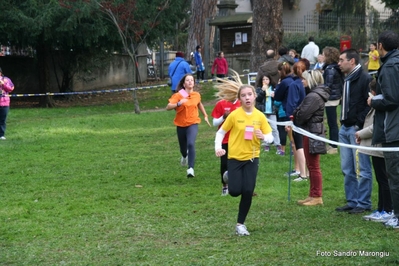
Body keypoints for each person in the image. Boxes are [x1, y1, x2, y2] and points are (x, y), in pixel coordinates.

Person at [215, 84, 273, 236]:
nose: (247, 98)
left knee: (248, 190)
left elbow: (271, 137)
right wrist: (218, 148)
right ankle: (228, 176)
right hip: (234, 158)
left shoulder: (260, 116)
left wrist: (264, 137)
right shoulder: (234, 115)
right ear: (239, 99)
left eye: (249, 94)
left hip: (252, 158)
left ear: (254, 96)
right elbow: (220, 132)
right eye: (243, 95)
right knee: (234, 192)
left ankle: (240, 224)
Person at [335, 48, 372, 214]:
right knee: (347, 167)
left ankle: (363, 202)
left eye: (342, 60)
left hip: (357, 129)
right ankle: (352, 200)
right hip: (345, 128)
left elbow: (369, 103)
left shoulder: (365, 78)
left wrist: (358, 124)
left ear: (352, 61)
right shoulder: (346, 78)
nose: (339, 63)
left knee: (362, 168)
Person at [370, 30, 399, 228]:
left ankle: (397, 215)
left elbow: (391, 98)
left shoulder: (390, 66)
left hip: (394, 129)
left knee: (395, 176)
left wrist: (373, 100)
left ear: (380, 46)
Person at [357, 79, 393, 222]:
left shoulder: (381, 105)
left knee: (384, 180)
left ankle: (387, 209)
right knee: (381, 179)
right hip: (376, 147)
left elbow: (377, 126)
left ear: (373, 92)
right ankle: (381, 208)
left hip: (380, 147)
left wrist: (360, 133)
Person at [293, 70, 330, 206]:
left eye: (304, 79)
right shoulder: (313, 95)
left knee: (313, 166)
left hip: (312, 132)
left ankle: (317, 196)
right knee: (310, 165)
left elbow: (301, 115)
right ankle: (312, 194)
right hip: (310, 131)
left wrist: (296, 113)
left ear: (311, 80)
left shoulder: (313, 96)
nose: (302, 81)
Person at [166, 74, 211, 178]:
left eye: (192, 80)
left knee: (191, 144)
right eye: (188, 80)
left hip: (193, 123)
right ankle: (184, 155)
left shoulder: (196, 95)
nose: (190, 82)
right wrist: (178, 104)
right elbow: (168, 107)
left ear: (194, 83)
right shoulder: (179, 95)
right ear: (184, 83)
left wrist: (205, 115)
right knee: (183, 148)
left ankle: (190, 169)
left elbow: (199, 103)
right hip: (181, 125)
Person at [211, 71, 241, 196]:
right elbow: (214, 123)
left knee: (239, 162)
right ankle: (225, 186)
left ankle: (239, 185)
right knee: (225, 164)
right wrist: (223, 117)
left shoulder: (242, 103)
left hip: (239, 139)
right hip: (225, 140)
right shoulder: (221, 104)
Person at [285, 61, 308, 182]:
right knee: (303, 145)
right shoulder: (304, 84)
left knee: (298, 146)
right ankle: (306, 172)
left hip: (296, 119)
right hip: (305, 117)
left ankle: (302, 174)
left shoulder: (294, 85)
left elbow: (291, 104)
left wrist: (290, 120)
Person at [322, 47, 344, 155]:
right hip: (333, 96)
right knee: (332, 122)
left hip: (331, 98)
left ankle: (333, 146)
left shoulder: (330, 69)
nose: (322, 56)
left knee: (332, 123)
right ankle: (332, 143)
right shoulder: (332, 67)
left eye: (324, 54)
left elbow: (328, 85)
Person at [255, 74, 283, 155]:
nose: (265, 81)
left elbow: (278, 98)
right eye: (263, 79)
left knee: (274, 128)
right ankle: (266, 144)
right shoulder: (259, 89)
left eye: (267, 79)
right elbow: (258, 99)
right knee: (264, 128)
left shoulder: (274, 88)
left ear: (270, 80)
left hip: (272, 111)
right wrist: (263, 91)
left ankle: (277, 144)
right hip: (263, 111)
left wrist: (275, 96)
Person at [0, 67, 14, 140]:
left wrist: (3, 84)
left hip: (4, 103)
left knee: (2, 120)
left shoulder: (6, 80)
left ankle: (1, 135)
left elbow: (11, 88)